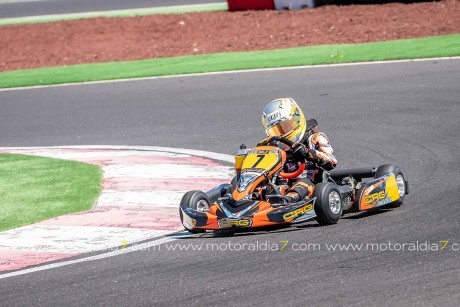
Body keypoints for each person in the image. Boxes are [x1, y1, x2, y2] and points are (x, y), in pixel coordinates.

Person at [261, 97, 337, 203]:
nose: (283, 133)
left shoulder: (315, 138)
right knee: (261, 186)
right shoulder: (276, 147)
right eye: (276, 130)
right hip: (284, 184)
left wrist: (307, 153)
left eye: (286, 126)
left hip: (313, 184)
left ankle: (286, 201)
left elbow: (332, 162)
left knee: (301, 185)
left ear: (296, 119)